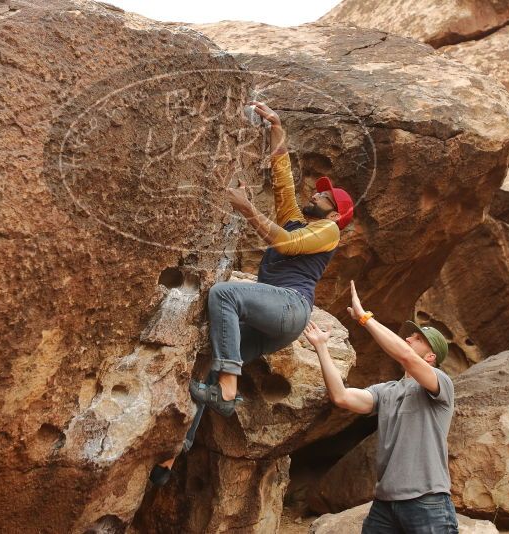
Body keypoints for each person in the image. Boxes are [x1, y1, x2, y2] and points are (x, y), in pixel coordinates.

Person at [188, 101, 355, 416]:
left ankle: (226, 391)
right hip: (275, 322)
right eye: (319, 192)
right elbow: (283, 180)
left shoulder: (329, 231)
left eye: (324, 197)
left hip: (291, 306)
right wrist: (276, 128)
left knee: (225, 294)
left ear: (334, 214)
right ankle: (173, 455)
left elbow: (289, 244)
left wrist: (248, 209)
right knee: (210, 363)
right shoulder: (296, 220)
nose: (316, 194)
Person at [303, 280, 458, 534]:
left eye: (417, 338)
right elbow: (341, 397)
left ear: (430, 358)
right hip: (385, 505)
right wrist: (321, 347)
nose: (408, 338)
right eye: (410, 335)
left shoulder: (440, 384)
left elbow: (405, 356)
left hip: (428, 502)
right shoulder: (386, 391)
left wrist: (365, 318)